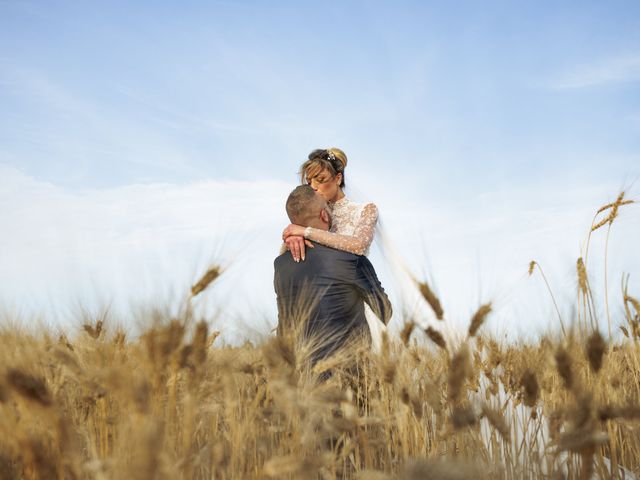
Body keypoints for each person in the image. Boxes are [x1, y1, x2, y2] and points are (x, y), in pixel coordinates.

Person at [274, 185, 392, 371]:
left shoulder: (281, 265)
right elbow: (384, 310)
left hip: (299, 376)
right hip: (350, 376)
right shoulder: (350, 259)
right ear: (324, 215)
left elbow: (285, 323)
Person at [281, 148, 388, 349]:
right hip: (314, 311)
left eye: (320, 179)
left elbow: (359, 245)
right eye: (309, 182)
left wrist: (306, 232)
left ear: (338, 178)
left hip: (354, 306)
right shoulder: (311, 213)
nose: (315, 187)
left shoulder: (365, 210)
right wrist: (291, 239)